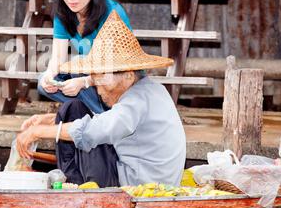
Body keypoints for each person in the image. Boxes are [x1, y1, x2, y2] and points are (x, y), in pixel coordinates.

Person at [17, 11, 186, 188]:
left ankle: (74, 187)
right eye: (95, 79)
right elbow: (107, 120)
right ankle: (72, 183)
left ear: (128, 76)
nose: (98, 88)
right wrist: (50, 121)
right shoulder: (151, 90)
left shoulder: (136, 100)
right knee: (72, 109)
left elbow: (96, 129)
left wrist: (38, 132)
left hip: (138, 184)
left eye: (102, 79)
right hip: (144, 175)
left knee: (80, 122)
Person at [38, 0, 133, 114]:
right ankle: (96, 112)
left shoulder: (112, 12)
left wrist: (84, 82)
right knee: (42, 83)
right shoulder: (62, 14)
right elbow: (58, 59)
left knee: (77, 65)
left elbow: (119, 69)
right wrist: (49, 76)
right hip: (90, 76)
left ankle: (106, 114)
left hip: (116, 79)